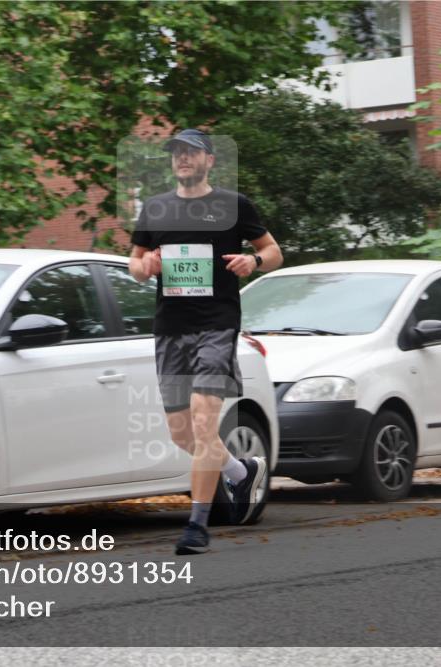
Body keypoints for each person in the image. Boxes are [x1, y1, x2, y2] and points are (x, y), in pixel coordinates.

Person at [128, 128, 283, 555]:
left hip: (217, 324)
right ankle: (239, 471)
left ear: (209, 161)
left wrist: (252, 260)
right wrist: (148, 266)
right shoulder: (156, 208)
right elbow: (135, 264)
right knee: (181, 433)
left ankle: (196, 525)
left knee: (202, 422)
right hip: (171, 328)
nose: (183, 158)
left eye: (191, 152)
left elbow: (273, 251)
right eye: (177, 152)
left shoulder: (233, 206)